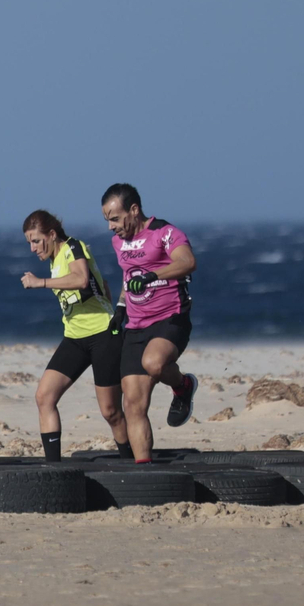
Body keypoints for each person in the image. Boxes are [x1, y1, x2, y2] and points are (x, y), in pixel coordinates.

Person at [18, 210, 131, 461]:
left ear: (52, 234)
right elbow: (104, 285)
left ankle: (130, 460)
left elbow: (81, 279)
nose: (33, 248)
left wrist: (41, 282)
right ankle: (54, 469)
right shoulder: (54, 259)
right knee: (44, 397)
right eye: (29, 243)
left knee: (111, 412)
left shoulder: (73, 247)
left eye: (36, 241)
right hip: (74, 339)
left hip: (103, 335)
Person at [101, 183, 199, 463]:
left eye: (115, 219)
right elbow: (128, 276)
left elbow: (188, 262)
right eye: (107, 220)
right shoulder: (118, 242)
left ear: (134, 210)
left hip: (171, 319)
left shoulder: (165, 233)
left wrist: (152, 275)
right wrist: (120, 309)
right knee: (133, 405)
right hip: (136, 327)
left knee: (154, 363)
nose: (111, 227)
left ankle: (182, 386)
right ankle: (144, 471)